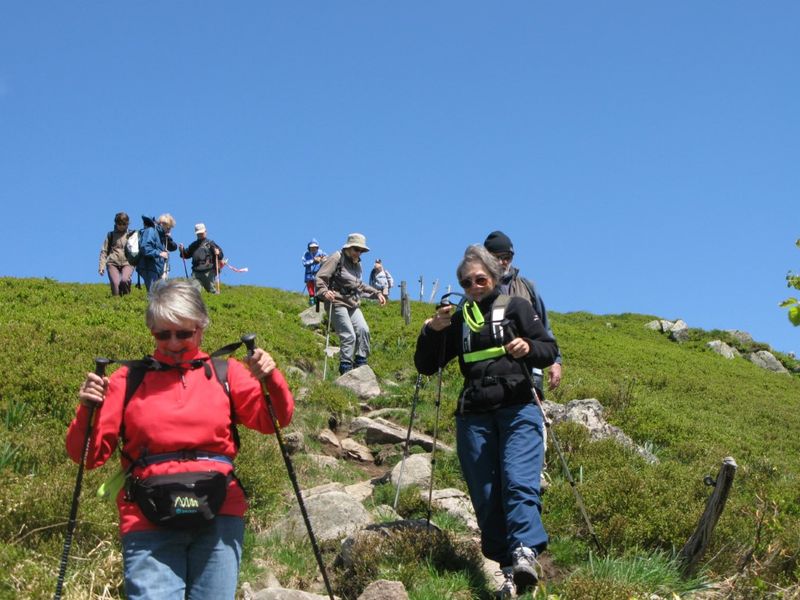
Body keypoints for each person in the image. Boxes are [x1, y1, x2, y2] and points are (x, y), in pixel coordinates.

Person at [66, 278, 294, 600]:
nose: (173, 343)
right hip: (147, 519)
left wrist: (270, 377)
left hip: (219, 512)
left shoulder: (226, 372)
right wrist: (87, 408)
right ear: (151, 331)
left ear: (202, 327)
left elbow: (275, 420)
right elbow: (87, 456)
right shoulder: (126, 380)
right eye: (162, 334)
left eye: (184, 333)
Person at [414, 244, 558, 598]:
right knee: (486, 493)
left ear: (494, 278)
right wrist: (433, 330)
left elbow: (548, 348)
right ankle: (508, 567)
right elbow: (426, 365)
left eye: (481, 279)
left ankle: (525, 551)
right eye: (467, 282)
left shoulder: (517, 307)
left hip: (519, 406)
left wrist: (527, 347)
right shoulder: (458, 319)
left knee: (518, 481)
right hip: (473, 413)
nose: (474, 286)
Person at [484, 230, 563, 396]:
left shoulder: (528, 287)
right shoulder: (476, 290)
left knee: (530, 417)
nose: (503, 262)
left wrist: (556, 362)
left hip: (529, 369)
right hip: (489, 370)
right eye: (496, 257)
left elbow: (544, 328)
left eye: (507, 257)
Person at [315, 233, 386, 374]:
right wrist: (324, 292)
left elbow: (359, 285)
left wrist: (377, 293)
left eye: (361, 251)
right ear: (348, 247)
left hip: (352, 303)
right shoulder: (336, 257)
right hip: (336, 301)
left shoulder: (357, 264)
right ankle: (346, 368)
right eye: (356, 249)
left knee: (363, 330)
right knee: (349, 335)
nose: (358, 253)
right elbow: (321, 277)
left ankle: (361, 362)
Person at [137, 214, 178, 293]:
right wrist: (159, 253)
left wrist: (169, 238)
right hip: (148, 267)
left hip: (156, 268)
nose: (169, 230)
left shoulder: (162, 235)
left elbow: (173, 247)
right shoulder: (151, 231)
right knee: (153, 293)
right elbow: (145, 248)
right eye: (168, 228)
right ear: (162, 224)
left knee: (159, 293)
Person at [179, 223, 225, 294]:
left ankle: (216, 302)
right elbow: (185, 255)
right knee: (194, 292)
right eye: (198, 233)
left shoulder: (210, 244)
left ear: (205, 232)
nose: (200, 235)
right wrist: (182, 250)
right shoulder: (193, 245)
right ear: (196, 234)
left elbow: (220, 255)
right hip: (196, 272)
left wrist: (218, 252)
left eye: (201, 233)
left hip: (208, 272)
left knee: (212, 291)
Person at [99, 212, 134, 296]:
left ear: (127, 224)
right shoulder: (110, 235)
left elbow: (137, 250)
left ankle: (126, 299)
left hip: (128, 263)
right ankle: (116, 303)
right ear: (116, 223)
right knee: (115, 283)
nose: (122, 226)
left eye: (124, 224)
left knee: (124, 280)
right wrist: (101, 266)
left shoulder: (132, 235)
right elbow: (104, 251)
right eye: (120, 224)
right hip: (112, 263)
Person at [302, 239, 327, 305]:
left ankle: (318, 301)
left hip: (318, 274)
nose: (313, 248)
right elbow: (304, 263)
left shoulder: (321, 252)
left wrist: (321, 259)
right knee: (310, 287)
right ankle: (311, 300)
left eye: (315, 247)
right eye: (311, 247)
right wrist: (313, 261)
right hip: (309, 275)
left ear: (317, 247)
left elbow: (327, 259)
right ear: (309, 248)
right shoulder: (306, 254)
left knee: (318, 286)